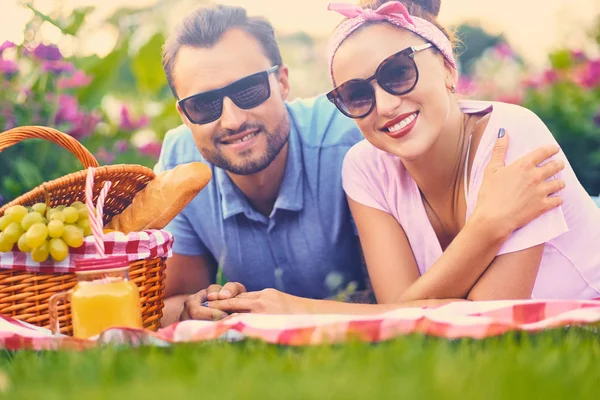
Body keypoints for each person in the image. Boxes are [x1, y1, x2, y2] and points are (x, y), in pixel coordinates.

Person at [156, 3, 567, 323]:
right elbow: (169, 303)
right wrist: (195, 308)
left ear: (283, 81)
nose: (231, 119)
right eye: (203, 104)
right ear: (183, 113)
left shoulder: (360, 134)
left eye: (248, 91)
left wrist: (487, 227)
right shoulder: (181, 168)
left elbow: (465, 314)